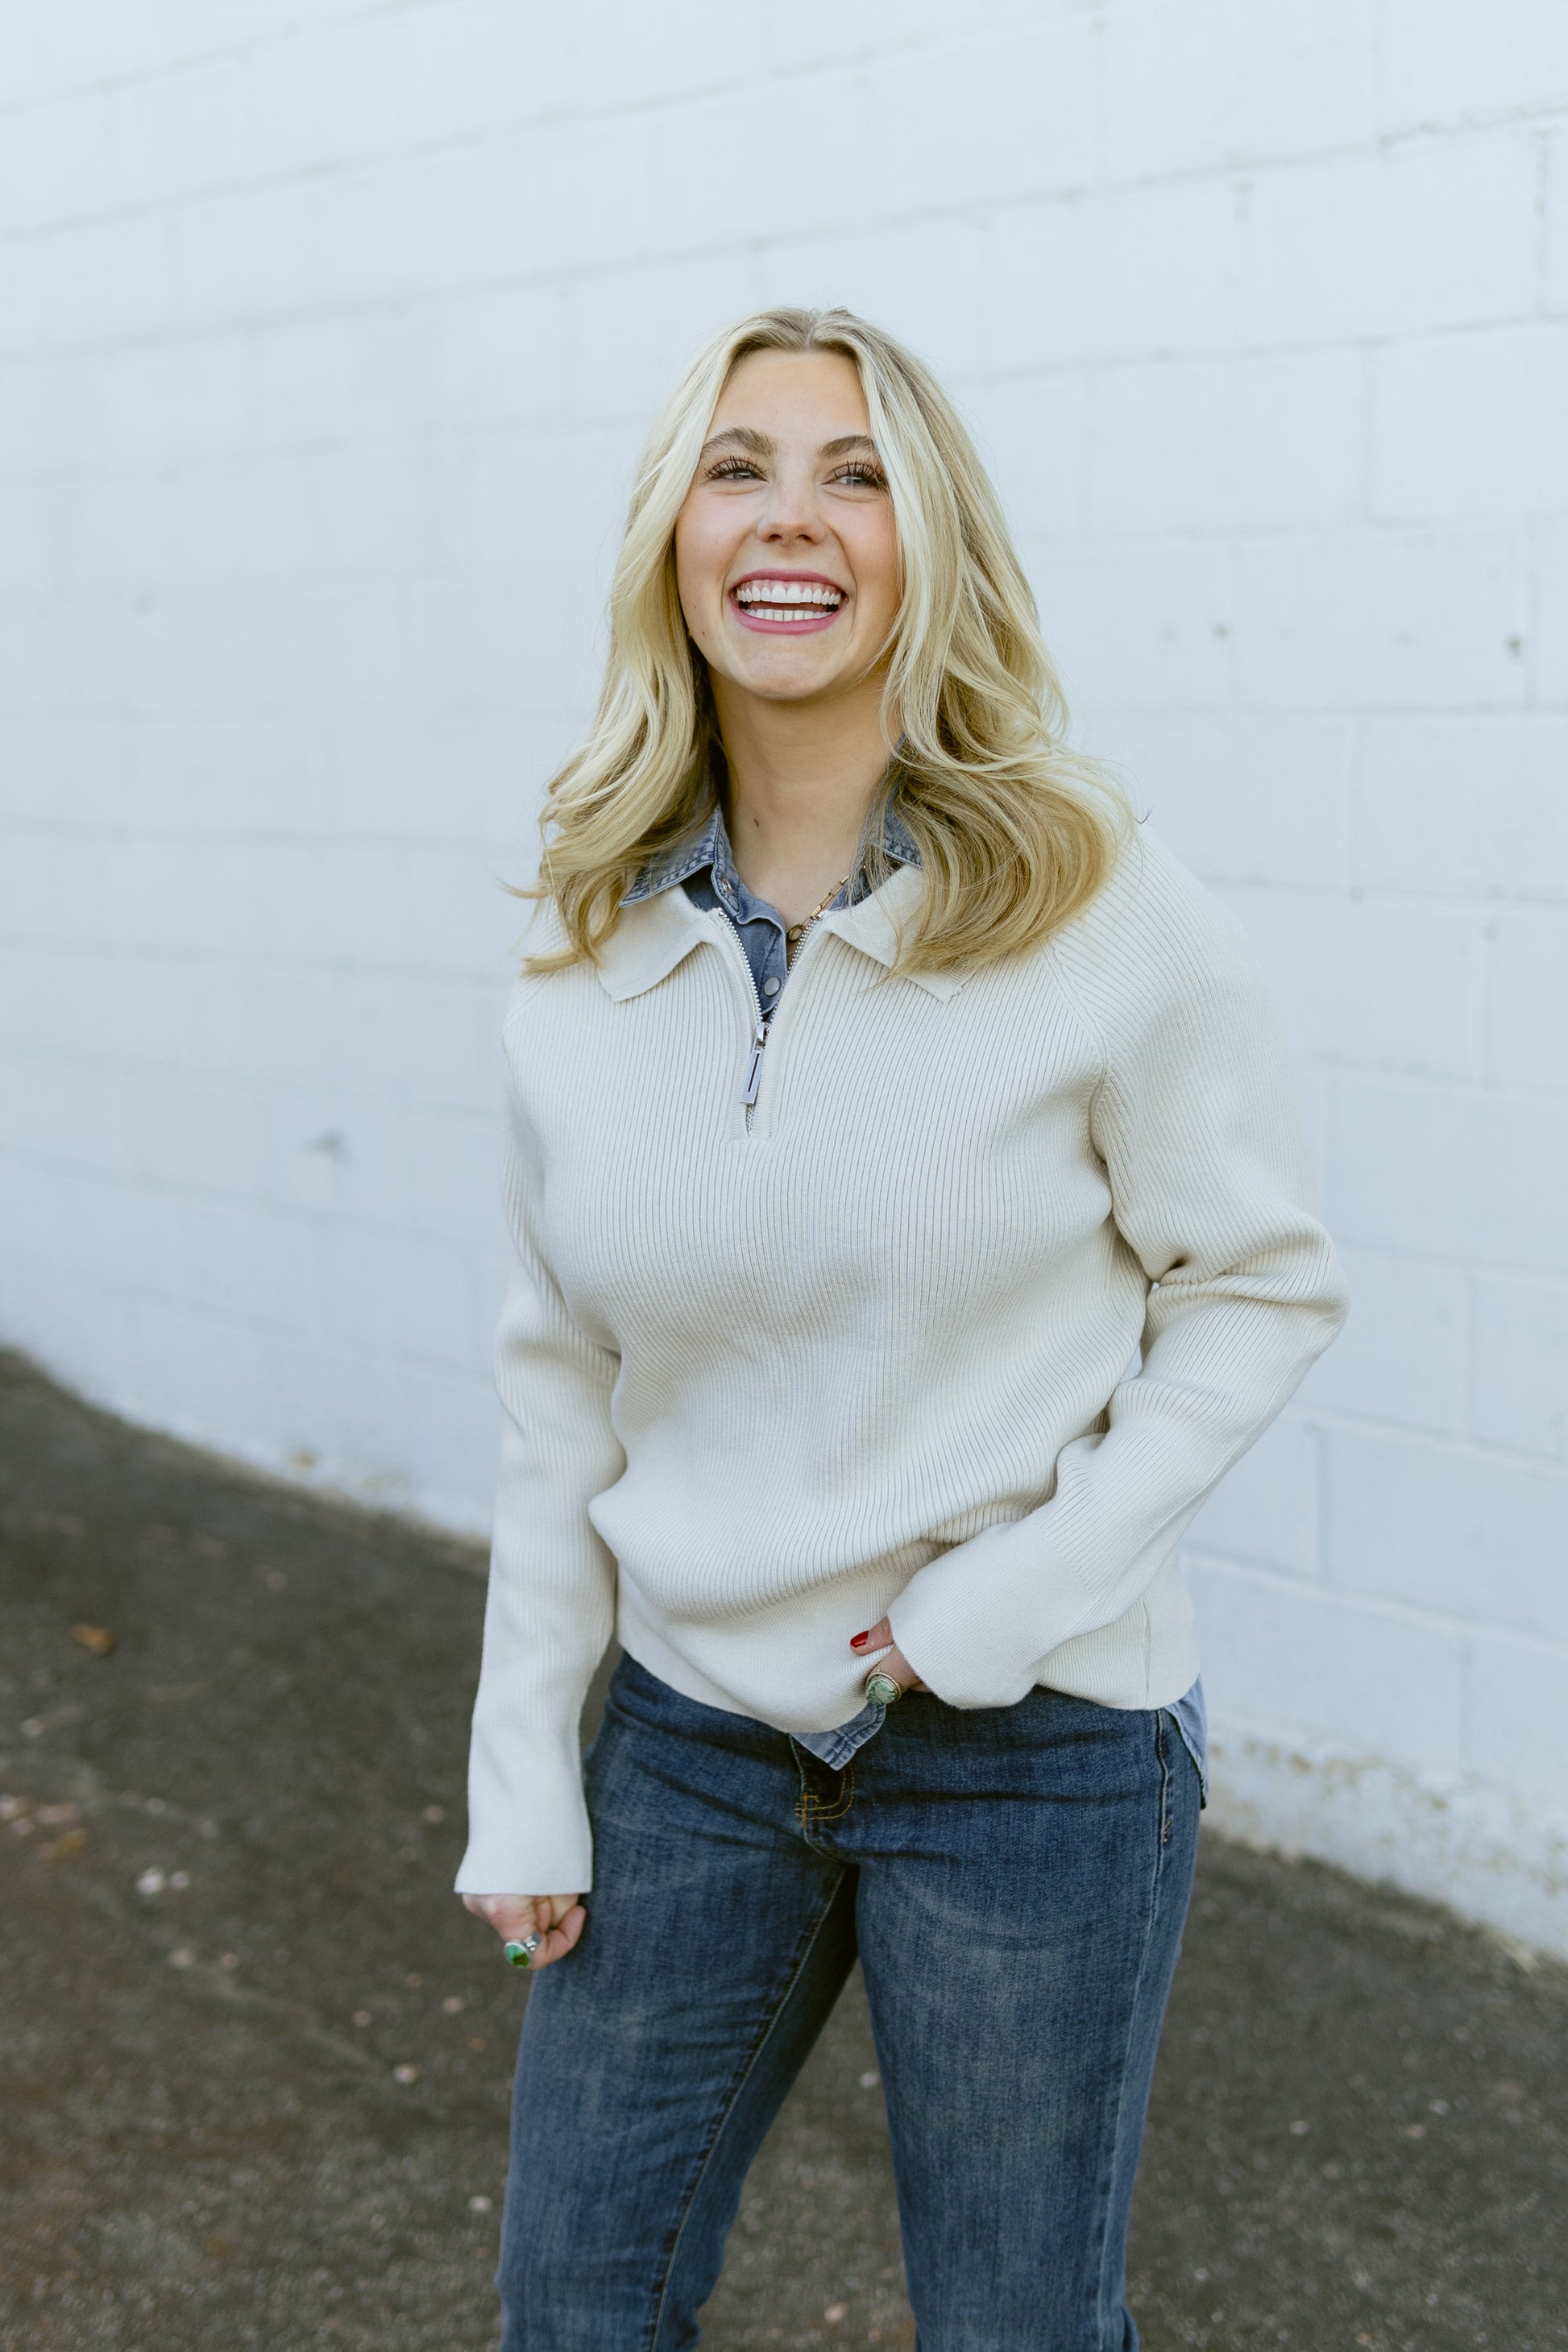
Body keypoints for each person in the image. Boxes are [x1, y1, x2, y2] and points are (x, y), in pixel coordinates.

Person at [455, 305, 1347, 2350]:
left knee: (1020, 2327)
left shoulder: (1093, 894)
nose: (793, 518)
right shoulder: (579, 947)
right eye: (739, 465)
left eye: (854, 471)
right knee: (574, 2301)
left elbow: (1260, 1283)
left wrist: (1012, 1593)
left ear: (927, 536)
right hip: (688, 1740)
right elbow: (557, 1384)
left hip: (1033, 1750)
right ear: (671, 534)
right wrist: (526, 1766)